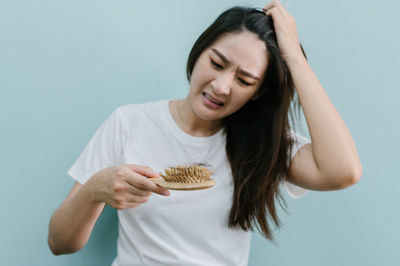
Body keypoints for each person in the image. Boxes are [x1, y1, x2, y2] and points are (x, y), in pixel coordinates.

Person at [48, 1, 363, 265]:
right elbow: (59, 242)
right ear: (200, 51)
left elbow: (344, 171)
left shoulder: (262, 146)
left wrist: (294, 57)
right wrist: (94, 190)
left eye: (244, 80)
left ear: (258, 93)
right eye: (217, 62)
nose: (221, 86)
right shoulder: (129, 123)